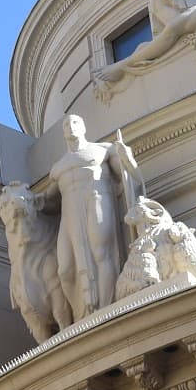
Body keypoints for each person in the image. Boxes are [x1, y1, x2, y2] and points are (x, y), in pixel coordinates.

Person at [40, 115, 139, 320]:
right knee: (65, 271)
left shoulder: (101, 150)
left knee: (101, 254)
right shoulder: (58, 168)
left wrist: (125, 156)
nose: (70, 127)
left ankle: (104, 308)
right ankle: (82, 314)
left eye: (75, 122)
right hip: (69, 215)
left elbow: (125, 174)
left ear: (83, 127)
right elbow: (48, 200)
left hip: (96, 201)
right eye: (66, 124)